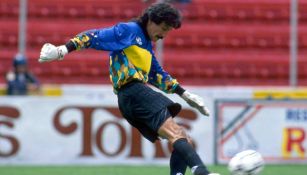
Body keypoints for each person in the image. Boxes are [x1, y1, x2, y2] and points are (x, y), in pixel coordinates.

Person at [38, 2, 219, 175]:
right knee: (176, 133)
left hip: (132, 96)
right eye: (163, 29)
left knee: (182, 138)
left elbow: (157, 75)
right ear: (151, 20)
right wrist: (63, 50)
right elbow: (93, 36)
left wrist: (184, 94)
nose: (164, 35)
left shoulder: (146, 45)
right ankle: (202, 172)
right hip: (134, 92)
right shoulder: (130, 31)